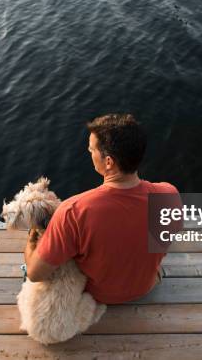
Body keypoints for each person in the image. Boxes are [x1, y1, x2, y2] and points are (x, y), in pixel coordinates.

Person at [23, 113, 179, 304]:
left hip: (99, 296)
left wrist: (32, 241)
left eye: (91, 150)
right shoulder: (169, 195)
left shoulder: (73, 211)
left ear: (108, 162)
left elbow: (34, 273)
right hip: (146, 286)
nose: (89, 153)